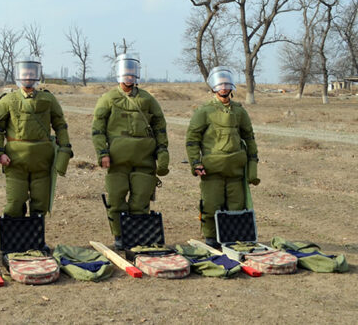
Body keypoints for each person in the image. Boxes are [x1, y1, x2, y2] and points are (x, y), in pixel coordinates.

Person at [91, 54, 169, 250]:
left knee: (141, 202)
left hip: (144, 161)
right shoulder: (108, 99)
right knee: (116, 201)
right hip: (117, 162)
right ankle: (119, 236)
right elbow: (97, 129)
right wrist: (103, 153)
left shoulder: (147, 99)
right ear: (118, 74)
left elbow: (160, 126)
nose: (129, 77)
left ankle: (138, 236)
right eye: (126, 73)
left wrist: (162, 153)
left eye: (132, 73)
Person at [186, 66, 259, 249]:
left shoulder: (239, 111)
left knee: (237, 207)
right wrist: (196, 163)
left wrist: (252, 169)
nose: (224, 88)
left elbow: (249, 138)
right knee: (211, 205)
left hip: (235, 170)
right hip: (212, 170)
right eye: (220, 85)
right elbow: (192, 139)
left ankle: (233, 236)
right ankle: (210, 237)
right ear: (213, 88)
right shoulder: (204, 111)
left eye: (227, 84)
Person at [0, 57, 72, 217]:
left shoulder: (48, 99)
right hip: (15, 162)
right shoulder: (8, 101)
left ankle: (36, 241)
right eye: (24, 73)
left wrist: (65, 149)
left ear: (37, 74)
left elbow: (60, 125)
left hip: (42, 162)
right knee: (14, 203)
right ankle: (13, 240)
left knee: (40, 204)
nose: (28, 76)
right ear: (18, 75)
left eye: (31, 73)